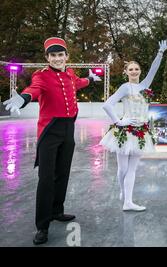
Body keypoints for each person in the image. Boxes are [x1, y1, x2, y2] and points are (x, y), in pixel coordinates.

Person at [2, 37, 102, 245]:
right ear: (47, 58)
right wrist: (24, 97)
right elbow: (34, 88)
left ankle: (57, 210)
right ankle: (42, 226)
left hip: (68, 129)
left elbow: (79, 83)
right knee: (46, 179)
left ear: (66, 56)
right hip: (49, 132)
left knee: (62, 174)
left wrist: (91, 79)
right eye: (53, 55)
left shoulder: (70, 74)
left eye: (60, 55)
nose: (57, 58)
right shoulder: (42, 76)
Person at [100, 40, 167, 211]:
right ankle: (123, 192)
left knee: (132, 169)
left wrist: (160, 53)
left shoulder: (144, 86)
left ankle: (128, 202)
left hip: (140, 132)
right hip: (125, 131)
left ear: (140, 71)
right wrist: (119, 121)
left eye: (136, 68)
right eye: (130, 69)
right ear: (126, 72)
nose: (134, 71)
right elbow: (107, 104)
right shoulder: (125, 87)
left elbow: (154, 70)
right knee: (123, 168)